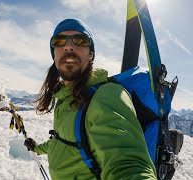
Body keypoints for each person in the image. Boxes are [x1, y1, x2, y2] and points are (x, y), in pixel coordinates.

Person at [24, 19, 157, 180]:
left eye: (80, 40)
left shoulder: (106, 96)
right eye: (59, 41)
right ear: (54, 54)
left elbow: (128, 165)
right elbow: (62, 141)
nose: (68, 46)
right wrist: (37, 148)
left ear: (91, 54)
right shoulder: (65, 98)